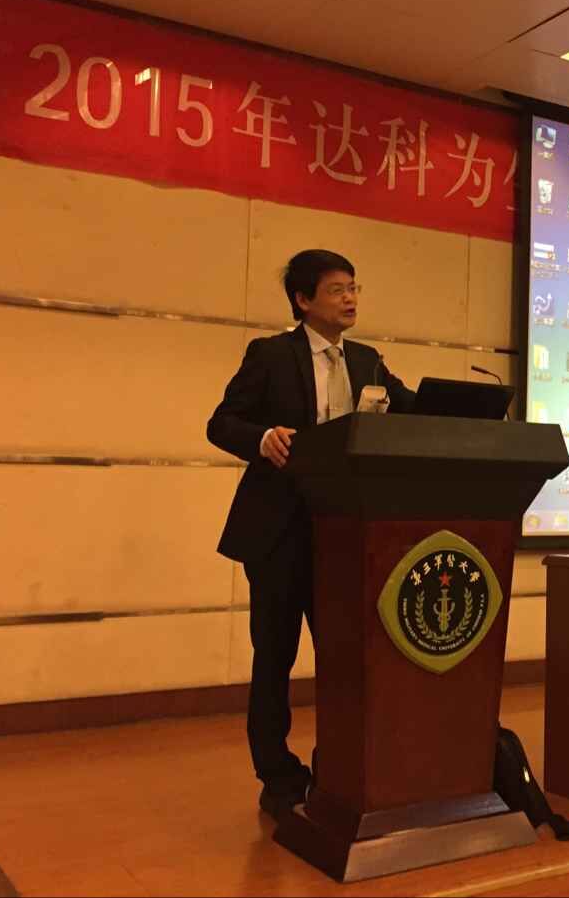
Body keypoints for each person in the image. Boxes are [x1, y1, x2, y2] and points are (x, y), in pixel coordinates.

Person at [206, 249, 416, 818]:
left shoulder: (368, 360)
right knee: (274, 656)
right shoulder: (271, 355)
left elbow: (413, 410)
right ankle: (276, 775)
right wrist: (261, 438)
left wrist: (468, 415)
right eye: (336, 290)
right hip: (279, 532)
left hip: (344, 534)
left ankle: (342, 764)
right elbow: (221, 422)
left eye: (354, 287)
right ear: (302, 300)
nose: (350, 299)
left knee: (346, 657)